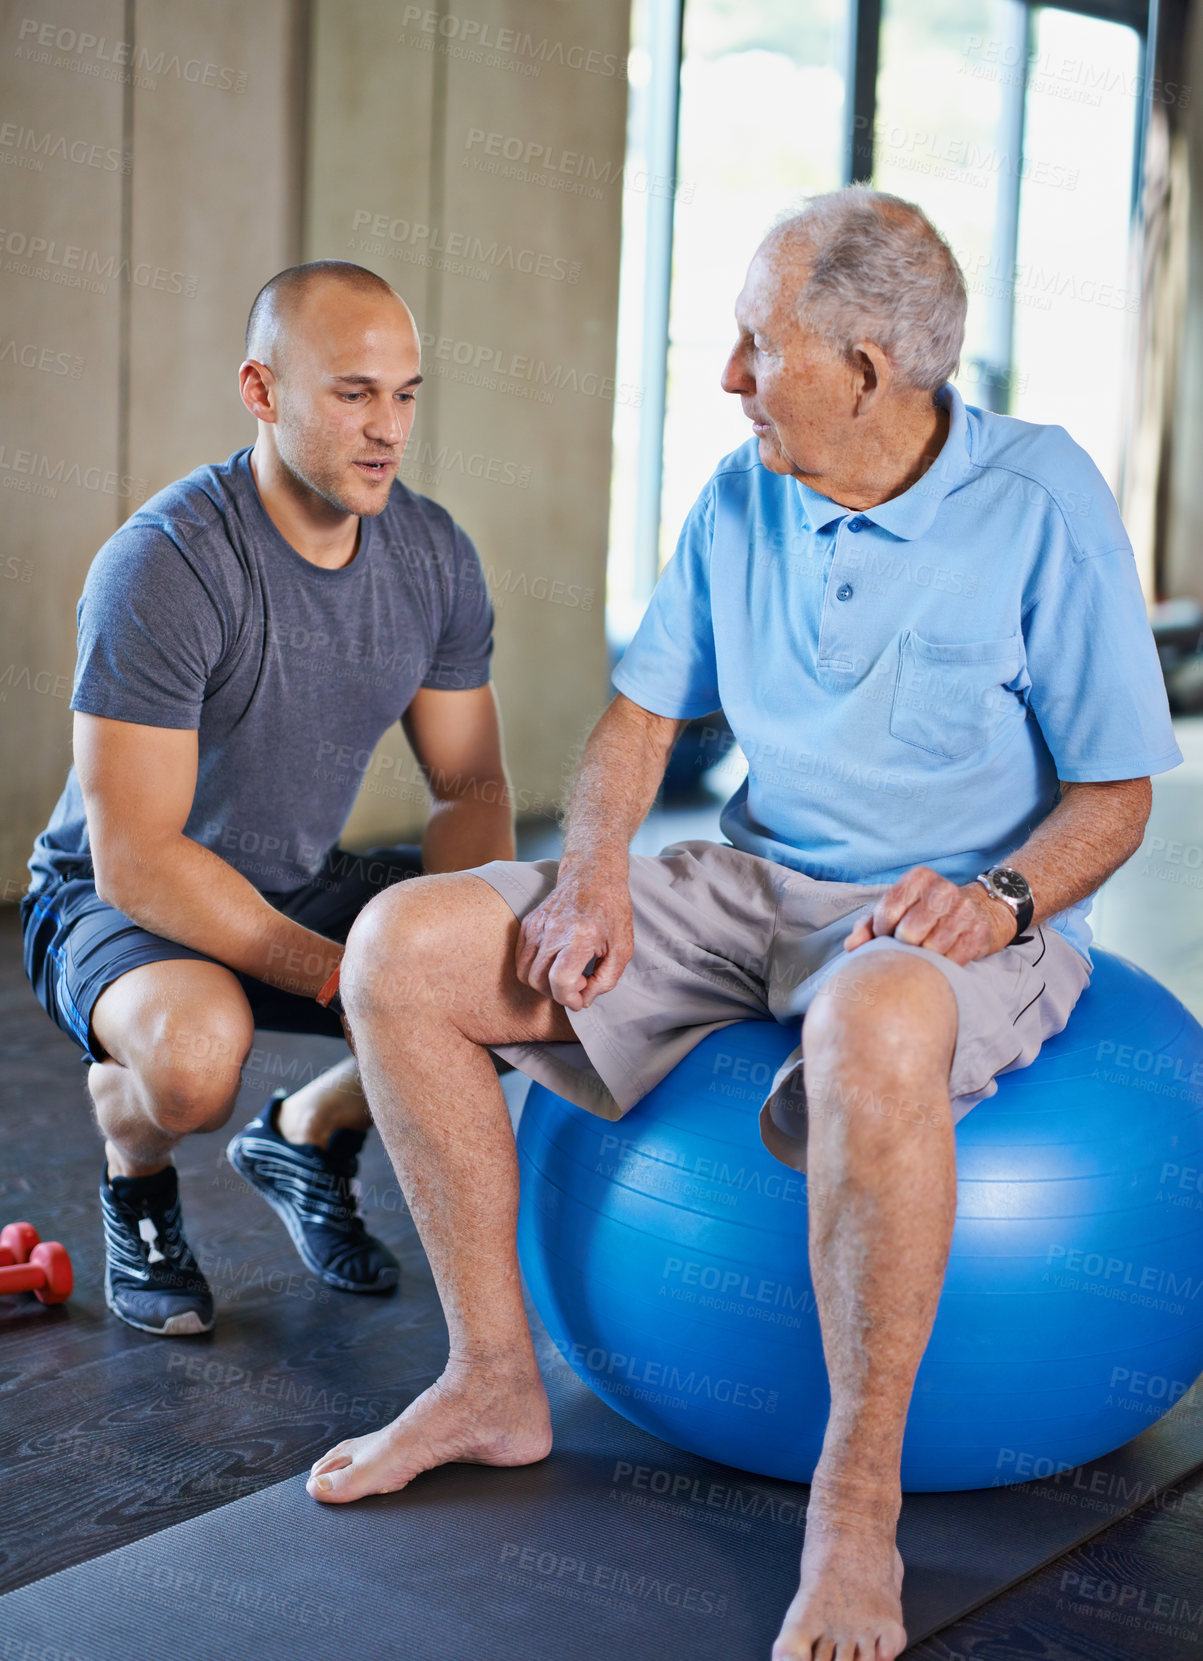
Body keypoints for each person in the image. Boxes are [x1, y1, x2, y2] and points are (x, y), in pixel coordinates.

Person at [300, 190, 1181, 1661]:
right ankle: (492, 1381)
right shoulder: (739, 493)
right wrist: (587, 872)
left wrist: (996, 897)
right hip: (754, 883)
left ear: (862, 367)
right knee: (401, 944)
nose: (723, 377)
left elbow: (1112, 796)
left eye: (752, 346)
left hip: (955, 910)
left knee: (869, 1013)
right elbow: (640, 718)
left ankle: (852, 1508)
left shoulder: (1042, 500)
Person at [20, 261, 513, 1338]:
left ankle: (308, 1128)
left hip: (291, 876)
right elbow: (138, 857)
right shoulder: (165, 565)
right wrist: (356, 978)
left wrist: (473, 941)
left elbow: (470, 787)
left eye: (406, 393)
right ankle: (134, 1165)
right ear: (261, 390)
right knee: (196, 1060)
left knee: (525, 963)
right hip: (114, 898)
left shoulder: (432, 555)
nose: (388, 428)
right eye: (352, 393)